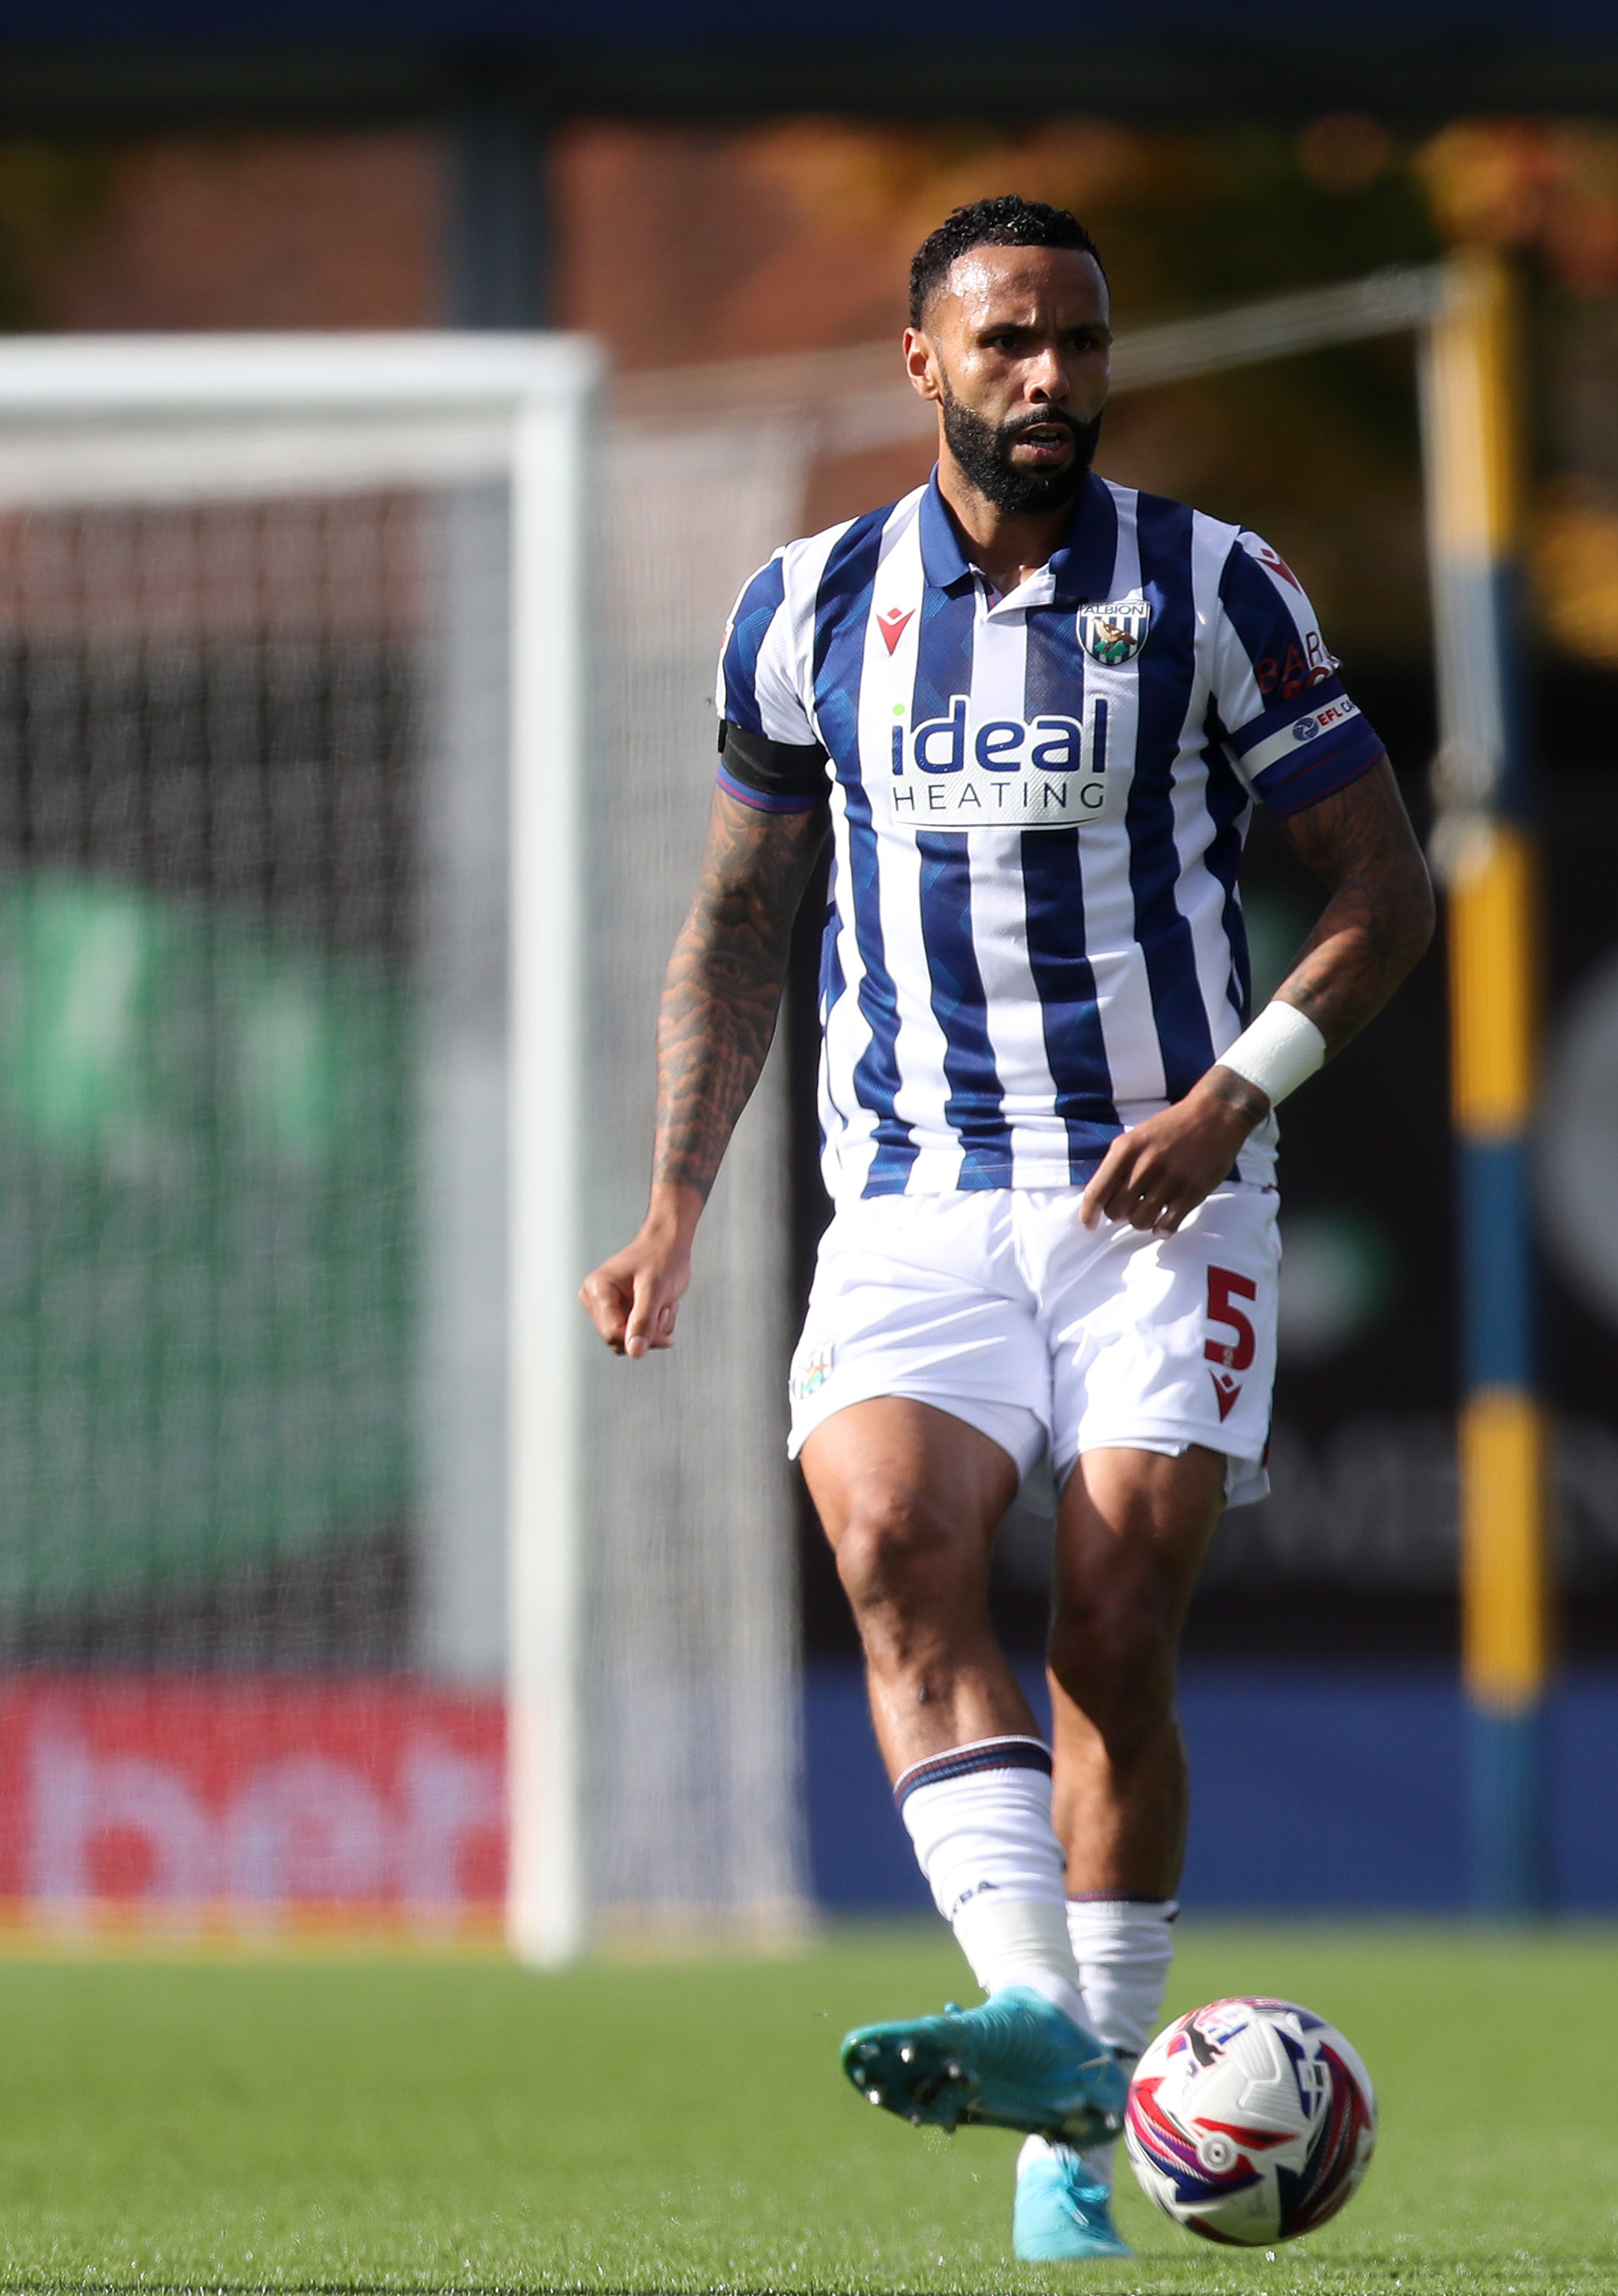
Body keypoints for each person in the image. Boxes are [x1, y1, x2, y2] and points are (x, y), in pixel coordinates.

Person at [578, 195, 1434, 2264]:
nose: (1049, 377)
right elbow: (738, 920)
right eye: (1008, 344)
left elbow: (1382, 892)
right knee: (889, 1545)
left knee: (1114, 1627)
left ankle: (1076, 2116)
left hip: (1166, 1196)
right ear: (923, 364)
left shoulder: (1216, 588)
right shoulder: (804, 607)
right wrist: (678, 1195)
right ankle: (1051, 2040)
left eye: (1077, 342)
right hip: (912, 1196)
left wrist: (1232, 1096)